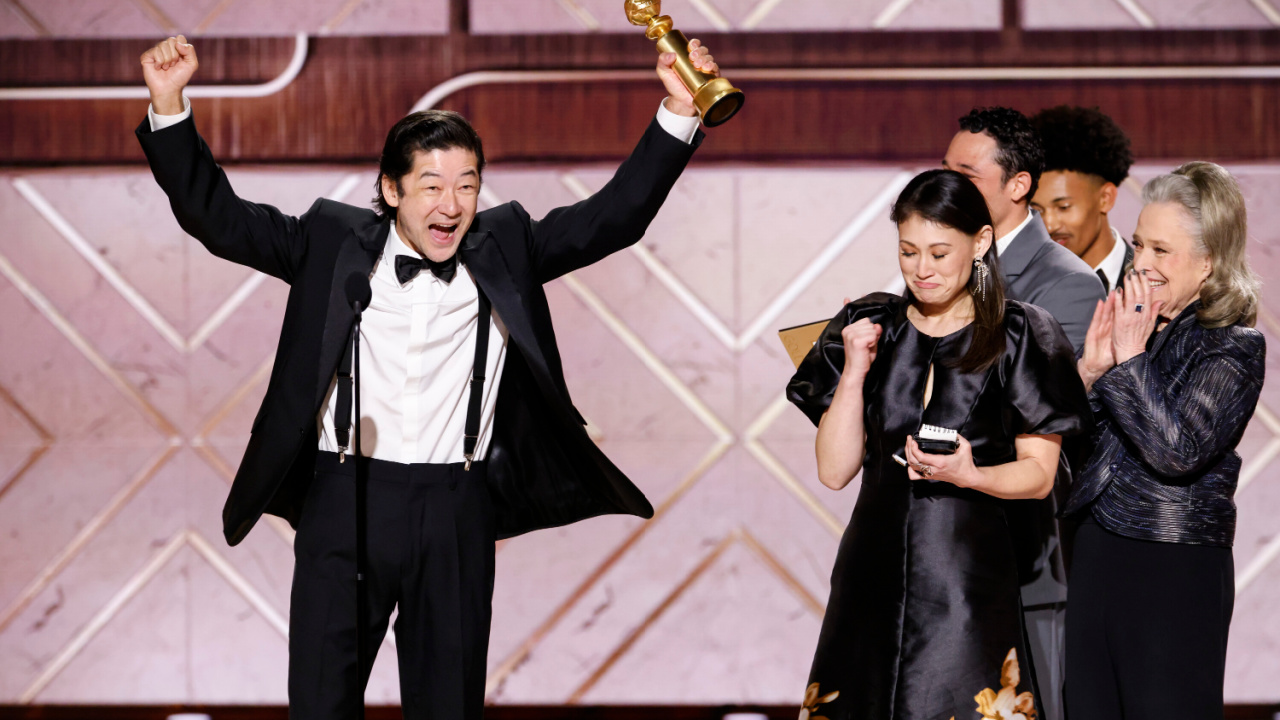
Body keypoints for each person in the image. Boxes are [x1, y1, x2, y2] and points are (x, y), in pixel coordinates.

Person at [136, 34, 722, 719]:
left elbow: (614, 218)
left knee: (448, 705)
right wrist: (170, 104)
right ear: (390, 188)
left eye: (467, 185)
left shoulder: (508, 245)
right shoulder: (329, 241)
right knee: (321, 703)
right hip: (343, 497)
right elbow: (219, 220)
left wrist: (680, 111)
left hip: (456, 505)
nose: (452, 205)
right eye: (433, 186)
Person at [787, 169, 1091, 720]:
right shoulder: (868, 323)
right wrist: (855, 369)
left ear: (980, 243)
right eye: (908, 251)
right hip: (869, 575)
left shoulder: (1022, 334)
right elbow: (834, 472)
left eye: (938, 252)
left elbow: (1040, 474)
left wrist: (973, 476)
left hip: (967, 582)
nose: (922, 269)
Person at [1065, 161, 1264, 720]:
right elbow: (1073, 449)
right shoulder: (1134, 328)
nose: (1142, 264)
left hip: (1172, 569)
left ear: (1209, 262)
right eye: (1138, 246)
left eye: (1161, 251)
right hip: (1095, 555)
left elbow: (1177, 451)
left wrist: (1126, 363)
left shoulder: (1234, 347)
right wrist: (1088, 373)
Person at [944, 106, 1107, 719]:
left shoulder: (1065, 282)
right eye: (945, 170)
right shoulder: (945, 268)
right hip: (946, 550)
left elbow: (1042, 414)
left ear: (1018, 186)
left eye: (967, 173)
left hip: (1023, 552)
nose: (949, 185)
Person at [1031, 105, 1136, 293]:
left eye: (1063, 207)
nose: (1049, 225)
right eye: (1037, 210)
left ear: (1106, 198)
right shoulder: (1019, 289)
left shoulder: (1152, 282)